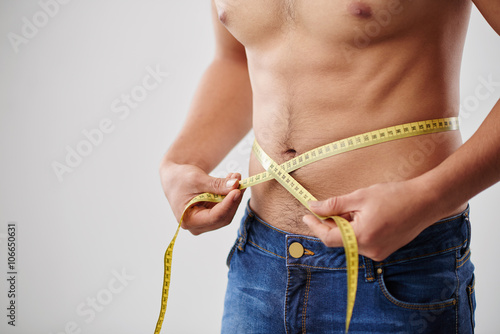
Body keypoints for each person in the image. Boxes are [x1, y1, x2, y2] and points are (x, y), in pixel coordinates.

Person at [160, 0, 500, 332]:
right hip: (259, 267)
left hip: (398, 269)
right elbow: (234, 58)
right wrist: (183, 160)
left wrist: (428, 197)